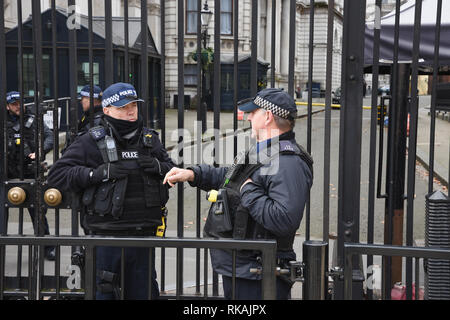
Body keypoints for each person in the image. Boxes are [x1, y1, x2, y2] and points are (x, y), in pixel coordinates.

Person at [163, 88, 313, 300]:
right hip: (244, 267)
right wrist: (193, 174)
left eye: (253, 112)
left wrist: (249, 191)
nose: (248, 117)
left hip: (260, 274)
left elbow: (283, 219)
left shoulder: (288, 162)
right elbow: (233, 177)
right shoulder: (266, 150)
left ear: (268, 116)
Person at [47, 82, 175, 300]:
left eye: (133, 104)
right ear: (107, 110)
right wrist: (97, 174)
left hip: (143, 235)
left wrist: (161, 167)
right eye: (123, 107)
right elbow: (57, 175)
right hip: (105, 236)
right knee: (105, 293)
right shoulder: (92, 141)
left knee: (144, 293)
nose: (131, 110)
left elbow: (173, 171)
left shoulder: (150, 139)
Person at [5, 91, 55, 261]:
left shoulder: (34, 119)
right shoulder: (4, 122)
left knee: (38, 212)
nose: (18, 106)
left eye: (19, 103)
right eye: (14, 104)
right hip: (8, 173)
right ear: (7, 106)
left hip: (30, 171)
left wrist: (40, 152)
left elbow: (50, 136)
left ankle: (47, 248)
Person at [61, 85, 103, 154]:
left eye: (82, 98)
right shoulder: (88, 115)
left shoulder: (97, 119)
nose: (81, 102)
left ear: (90, 99)